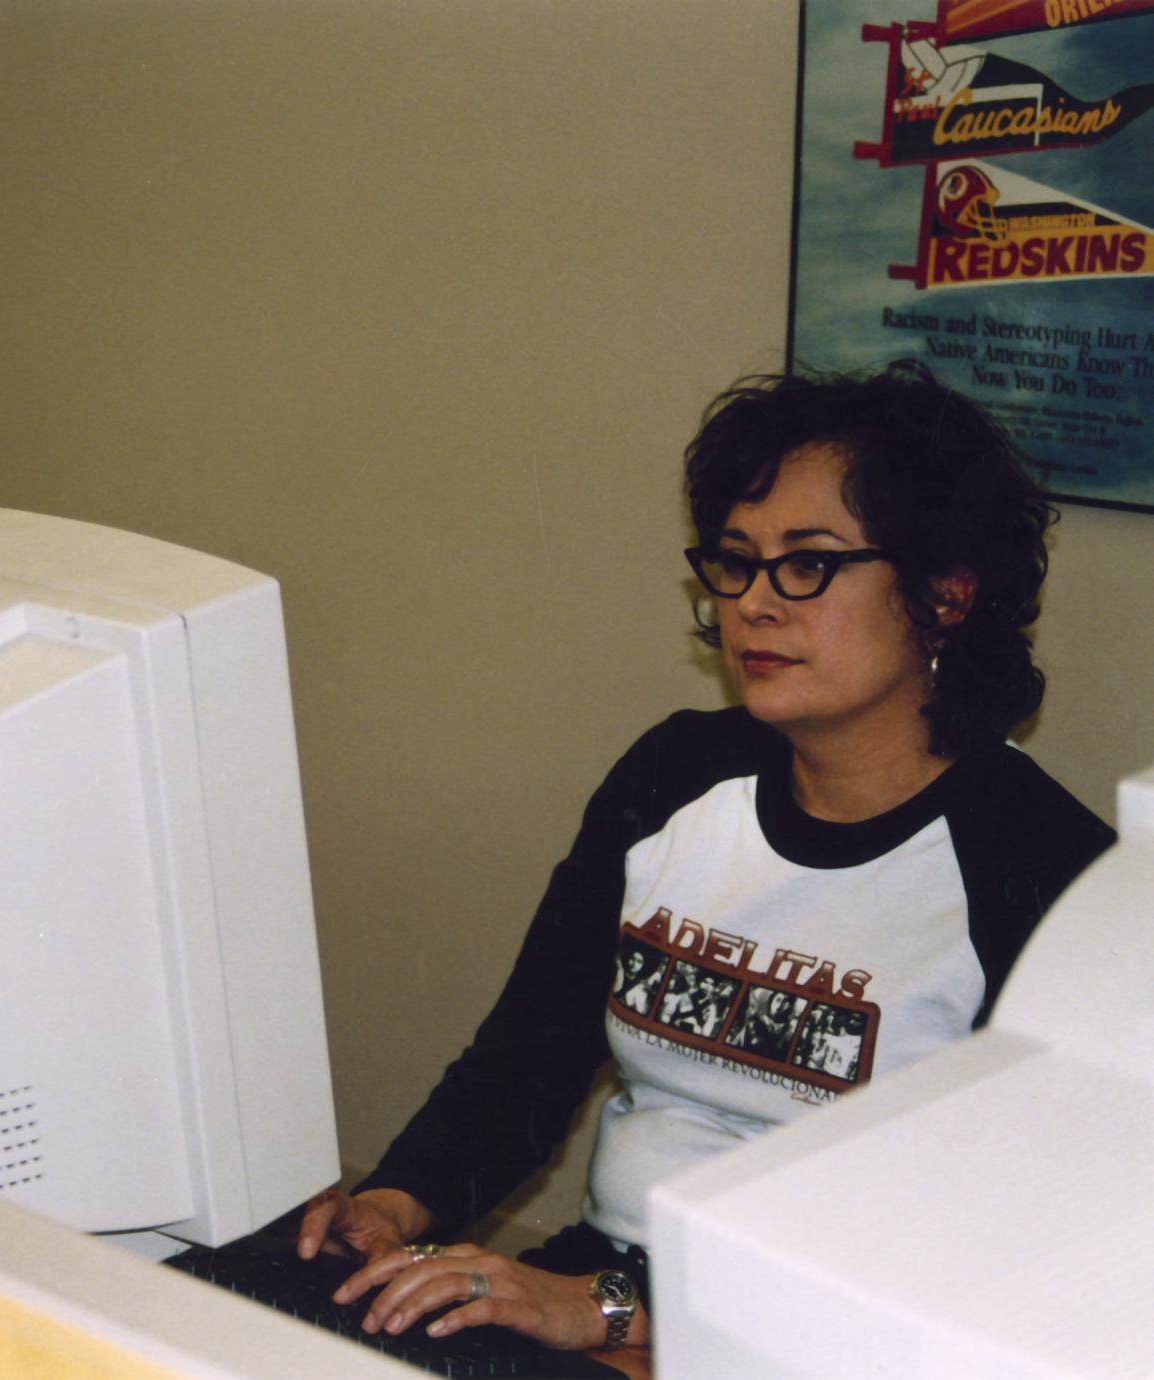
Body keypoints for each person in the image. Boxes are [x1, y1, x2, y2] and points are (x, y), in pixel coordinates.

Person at [297, 361, 1115, 1355]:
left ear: (945, 592)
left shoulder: (1054, 874)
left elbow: (999, 1246)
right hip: (604, 1279)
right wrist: (395, 1201)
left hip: (840, 1338)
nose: (754, 604)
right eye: (736, 559)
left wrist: (609, 1310)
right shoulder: (676, 773)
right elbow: (528, 1058)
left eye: (807, 563)